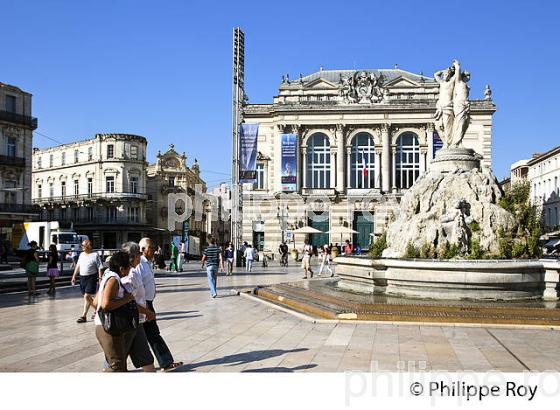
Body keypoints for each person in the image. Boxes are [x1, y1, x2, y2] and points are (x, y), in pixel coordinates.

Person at [138, 237, 183, 371]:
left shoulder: (146, 262)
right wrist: (144, 308)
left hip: (148, 303)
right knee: (140, 335)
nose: (154, 251)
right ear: (143, 249)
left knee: (152, 334)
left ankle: (166, 362)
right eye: (151, 248)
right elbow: (136, 286)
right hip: (143, 304)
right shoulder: (139, 264)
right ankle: (111, 363)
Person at [92, 251, 136, 372]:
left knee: (117, 365)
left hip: (101, 326)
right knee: (116, 366)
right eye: (129, 267)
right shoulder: (114, 280)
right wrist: (126, 299)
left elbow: (95, 302)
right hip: (109, 329)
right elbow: (105, 304)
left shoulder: (107, 277)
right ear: (122, 268)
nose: (130, 270)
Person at [121, 242, 156, 372]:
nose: (140, 257)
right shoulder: (128, 276)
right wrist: (148, 311)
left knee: (146, 360)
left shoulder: (132, 272)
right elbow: (129, 302)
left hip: (137, 321)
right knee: (117, 363)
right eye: (138, 255)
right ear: (134, 257)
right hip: (128, 322)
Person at [71, 240, 103, 323]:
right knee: (86, 297)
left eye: (83, 245)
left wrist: (100, 278)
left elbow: (100, 267)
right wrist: (74, 276)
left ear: (88, 246)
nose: (81, 247)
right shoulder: (81, 255)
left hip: (91, 277)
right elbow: (78, 266)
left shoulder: (95, 254)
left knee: (86, 296)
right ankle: (85, 315)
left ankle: (96, 310)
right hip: (82, 278)